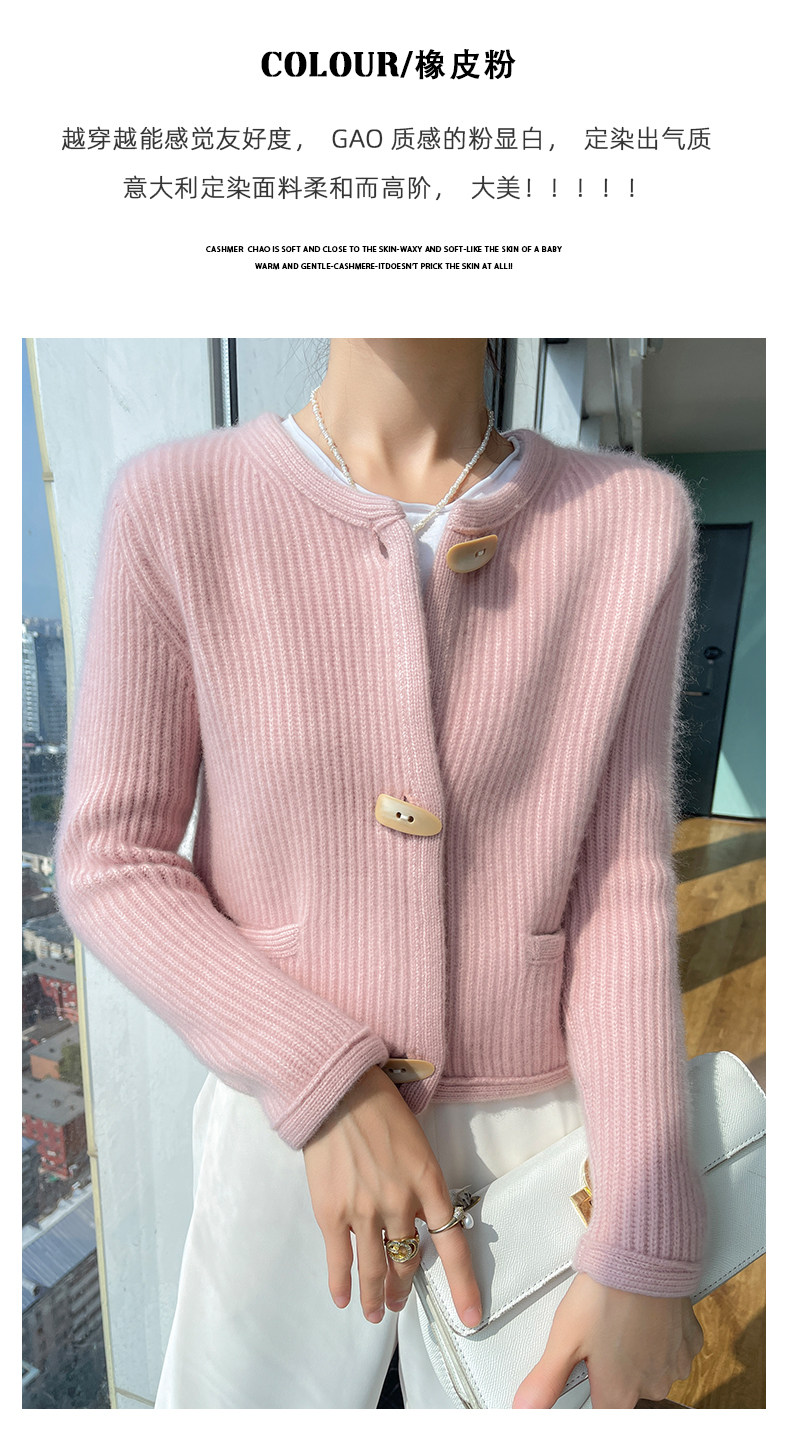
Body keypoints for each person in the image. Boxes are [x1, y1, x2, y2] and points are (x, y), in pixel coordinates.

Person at [53, 338, 706, 1409]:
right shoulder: (177, 505)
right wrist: (324, 1078)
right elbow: (110, 858)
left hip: (540, 1149)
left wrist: (645, 1224)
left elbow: (620, 883)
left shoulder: (632, 519)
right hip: (288, 1137)